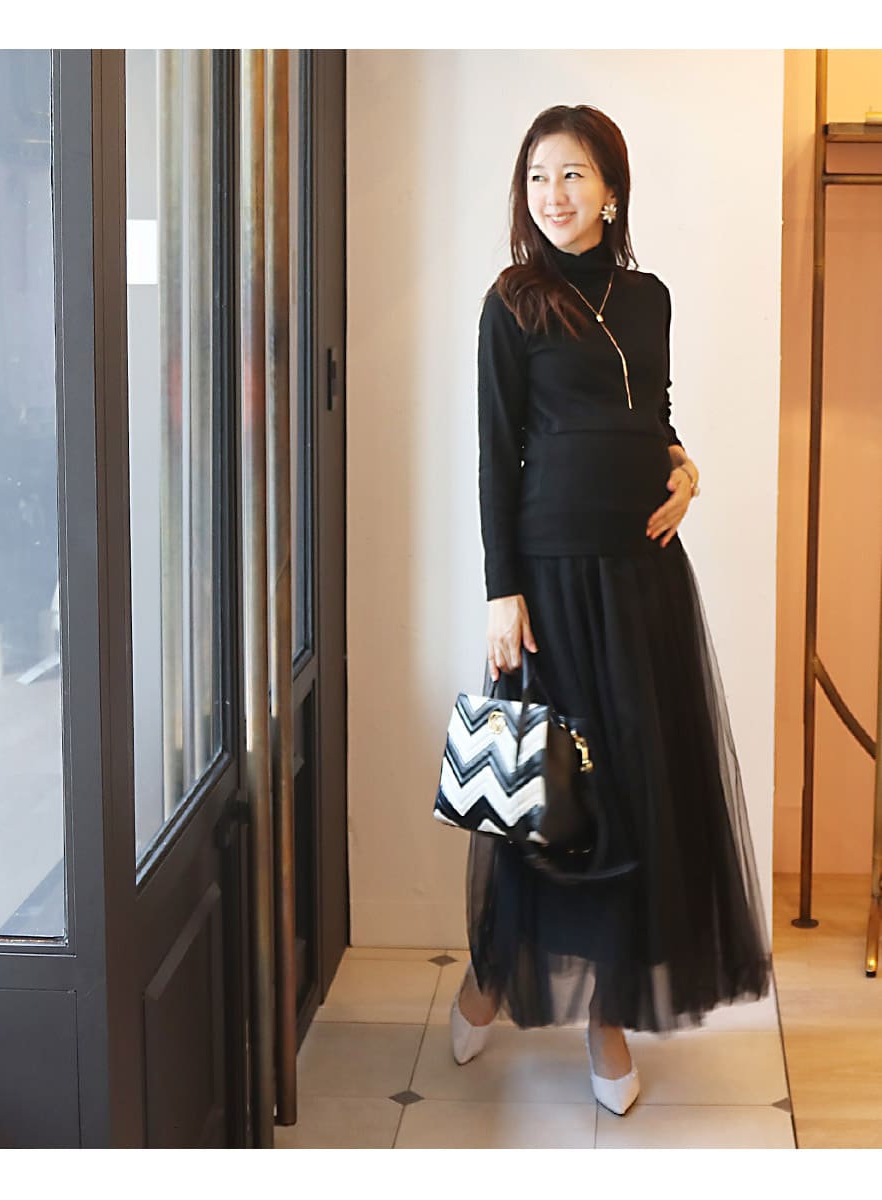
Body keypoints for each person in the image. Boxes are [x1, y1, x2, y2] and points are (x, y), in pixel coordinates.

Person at [449, 104, 772, 1116]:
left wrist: (687, 470)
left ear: (612, 191)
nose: (554, 194)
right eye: (538, 176)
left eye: (574, 174)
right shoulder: (512, 302)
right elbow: (495, 453)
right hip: (550, 582)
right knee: (549, 794)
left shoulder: (648, 297)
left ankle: (609, 1012)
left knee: (635, 793)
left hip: (643, 575)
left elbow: (653, 414)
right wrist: (501, 590)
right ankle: (492, 976)